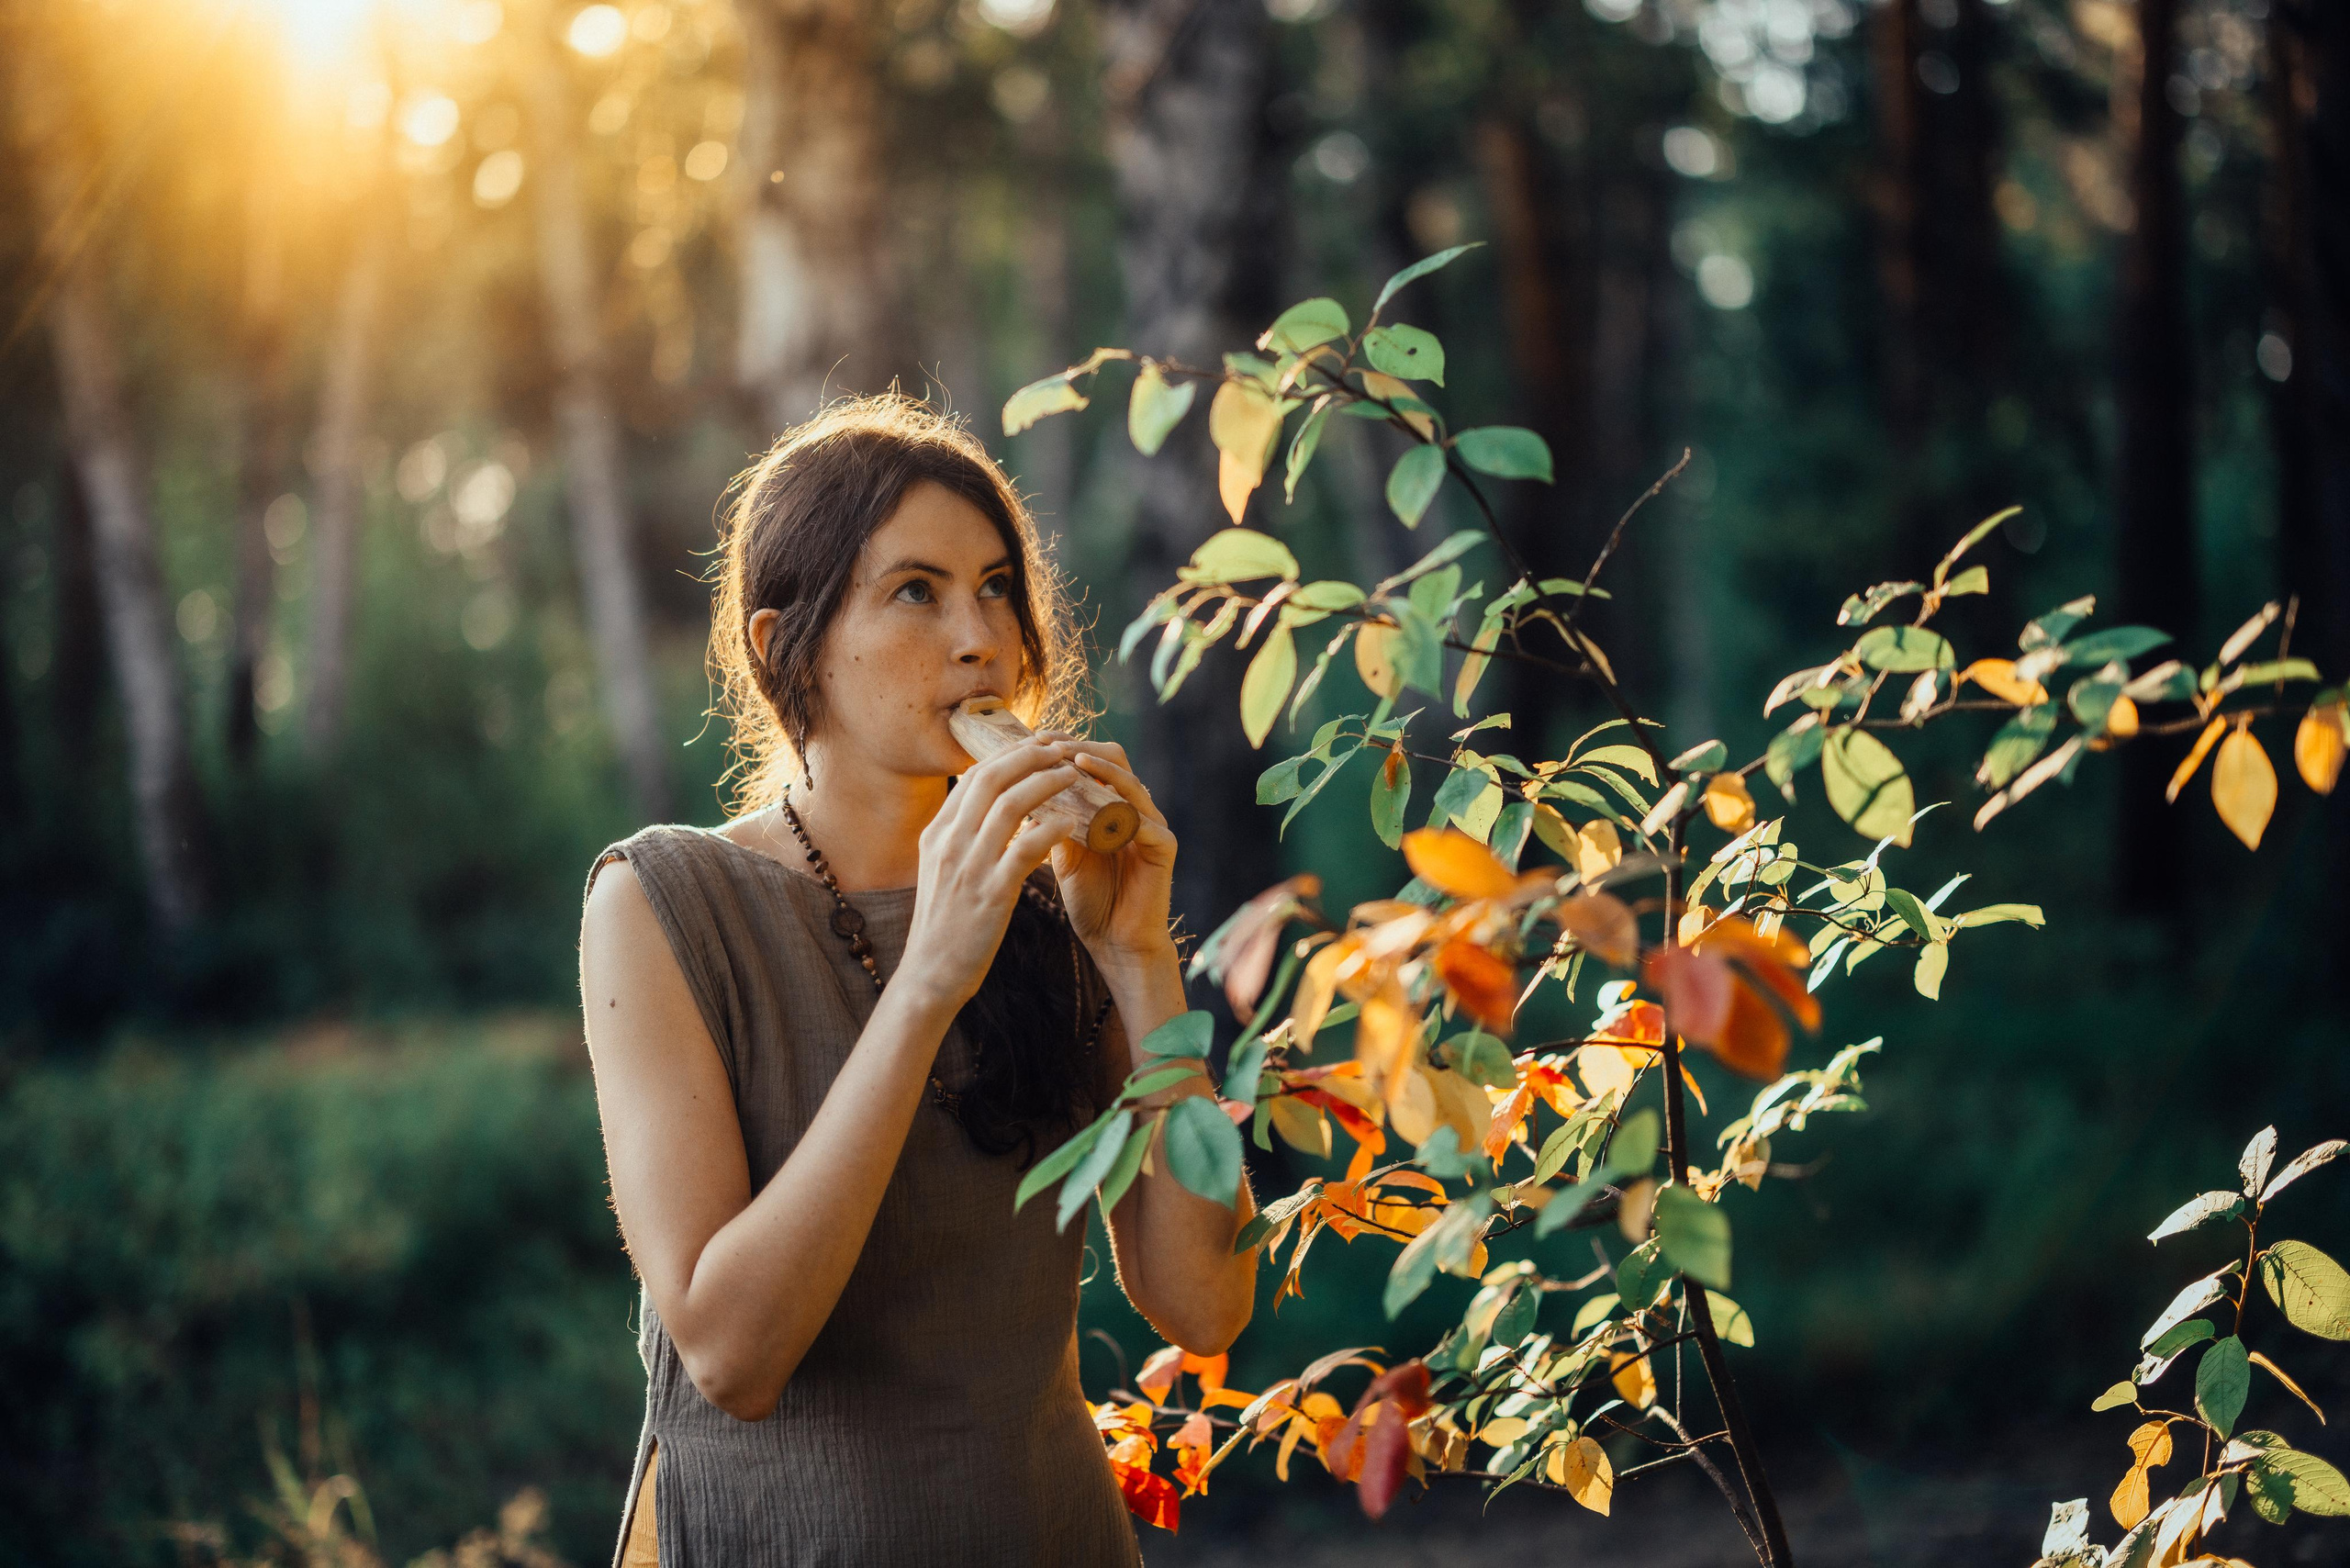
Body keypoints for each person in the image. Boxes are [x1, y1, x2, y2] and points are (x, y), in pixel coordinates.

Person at [576, 393, 1258, 1567]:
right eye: (915, 591)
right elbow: (731, 1356)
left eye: (996, 586)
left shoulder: (1056, 895)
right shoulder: (660, 902)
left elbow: (1204, 1305)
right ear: (781, 644)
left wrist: (1139, 957)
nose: (981, 637)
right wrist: (927, 980)